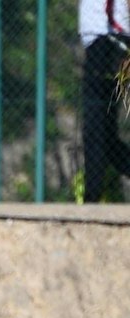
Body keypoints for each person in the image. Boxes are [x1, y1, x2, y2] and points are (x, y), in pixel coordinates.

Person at [81, 0, 129, 203]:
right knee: (106, 137)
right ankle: (92, 195)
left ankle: (91, 200)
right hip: (101, 41)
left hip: (108, 41)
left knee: (95, 128)